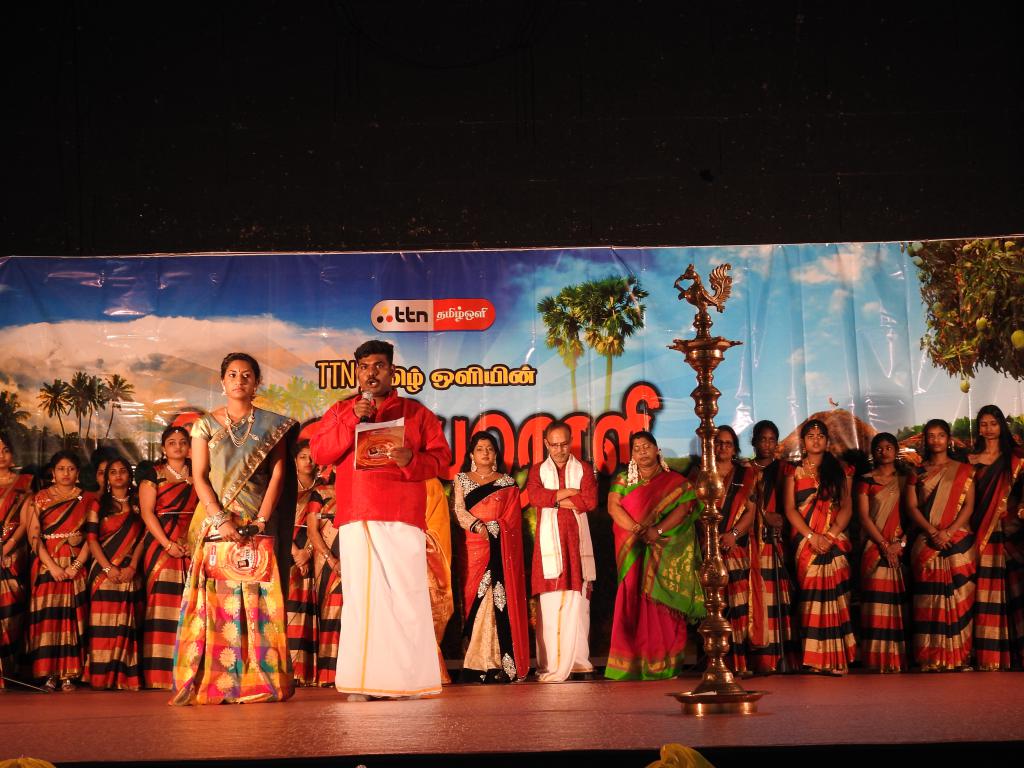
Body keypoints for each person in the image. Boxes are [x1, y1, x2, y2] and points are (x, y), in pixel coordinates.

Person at [310, 340, 451, 700]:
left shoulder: (416, 413)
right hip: (358, 515)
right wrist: (352, 419)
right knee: (363, 599)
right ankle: (364, 681)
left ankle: (408, 681)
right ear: (356, 372)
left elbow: (441, 460)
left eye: (379, 366)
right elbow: (320, 452)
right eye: (364, 366)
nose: (371, 373)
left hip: (402, 515)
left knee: (406, 596)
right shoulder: (341, 410)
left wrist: (411, 460)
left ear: (392, 371)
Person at [171, 352, 297, 705]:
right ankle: (217, 682)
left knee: (260, 604)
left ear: (257, 383)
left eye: (246, 375)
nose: (239, 380)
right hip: (218, 525)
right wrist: (220, 519)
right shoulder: (204, 425)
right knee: (217, 604)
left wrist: (261, 521)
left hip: (257, 525)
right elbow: (199, 476)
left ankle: (260, 681)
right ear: (222, 382)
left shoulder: (273, 426)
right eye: (232, 374)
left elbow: (277, 475)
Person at [604, 431, 703, 680]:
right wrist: (639, 530)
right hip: (633, 552)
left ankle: (663, 665)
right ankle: (630, 666)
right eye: (637, 448)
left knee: (662, 607)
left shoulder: (674, 481)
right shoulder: (623, 480)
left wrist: (657, 531)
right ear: (632, 455)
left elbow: (685, 508)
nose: (642, 451)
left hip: (664, 553)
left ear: (657, 449)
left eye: (646, 446)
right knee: (632, 603)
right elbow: (613, 507)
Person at [453, 432, 528, 683]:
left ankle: (495, 663)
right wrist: (478, 527)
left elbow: (512, 521)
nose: (485, 453)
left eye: (490, 449)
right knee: (473, 602)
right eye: (480, 449)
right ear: (471, 454)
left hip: (499, 547)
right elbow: (458, 511)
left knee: (496, 602)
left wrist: (494, 529)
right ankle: (474, 662)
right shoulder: (461, 479)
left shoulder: (507, 483)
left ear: (496, 454)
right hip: (472, 548)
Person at [783, 419, 857, 675]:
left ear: (827, 441)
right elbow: (790, 509)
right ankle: (816, 660)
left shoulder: (841, 470)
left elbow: (847, 506)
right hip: (806, 544)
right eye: (810, 436)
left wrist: (831, 535)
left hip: (834, 540)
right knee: (811, 599)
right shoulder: (794, 472)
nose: (815, 440)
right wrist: (812, 536)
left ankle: (838, 659)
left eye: (820, 436)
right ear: (803, 442)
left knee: (838, 598)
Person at [526, 421, 598, 682]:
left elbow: (589, 501)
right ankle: (553, 664)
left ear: (571, 442)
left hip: (577, 547)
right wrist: (568, 493)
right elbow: (534, 497)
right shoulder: (538, 471)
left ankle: (578, 662)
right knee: (552, 604)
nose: (559, 450)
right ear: (546, 444)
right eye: (554, 445)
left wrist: (553, 498)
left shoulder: (584, 469)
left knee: (579, 606)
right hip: (549, 553)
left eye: (564, 444)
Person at [904, 418, 976, 671]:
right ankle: (930, 658)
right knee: (928, 599)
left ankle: (960, 658)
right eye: (931, 436)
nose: (936, 440)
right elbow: (912, 507)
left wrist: (949, 532)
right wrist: (933, 531)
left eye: (941, 435)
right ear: (925, 440)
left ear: (949, 439)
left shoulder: (964, 470)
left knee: (960, 598)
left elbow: (969, 506)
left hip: (959, 540)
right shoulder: (917, 472)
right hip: (927, 541)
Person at [25, 450, 95, 691]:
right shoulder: (40, 498)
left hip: (76, 564)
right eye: (61, 469)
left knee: (72, 617)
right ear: (53, 473)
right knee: (48, 618)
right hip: (47, 564)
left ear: (78, 473)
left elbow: (92, 537)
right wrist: (53, 567)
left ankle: (69, 674)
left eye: (71, 469)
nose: (66, 473)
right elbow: (34, 537)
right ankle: (49, 674)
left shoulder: (87, 498)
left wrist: (76, 566)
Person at [137, 425, 198, 689]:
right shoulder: (154, 474)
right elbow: (147, 512)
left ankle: (190, 671)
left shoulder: (199, 472)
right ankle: (159, 675)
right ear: (163, 448)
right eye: (171, 442)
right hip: (161, 544)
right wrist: (168, 544)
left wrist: (193, 542)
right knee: (162, 605)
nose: (177, 446)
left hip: (192, 542)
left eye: (183, 441)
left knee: (192, 604)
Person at [966, 405, 1024, 670]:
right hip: (980, 530)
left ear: (1001, 425)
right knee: (986, 590)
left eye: (993, 423)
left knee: (1014, 591)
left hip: (1009, 531)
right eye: (983, 424)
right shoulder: (970, 460)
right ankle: (990, 657)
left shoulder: (1017, 458)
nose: (988, 429)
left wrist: (1013, 514)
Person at [83, 456, 145, 690]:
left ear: (130, 475)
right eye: (113, 472)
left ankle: (125, 678)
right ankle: (101, 677)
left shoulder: (139, 503)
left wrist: (133, 566)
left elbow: (143, 538)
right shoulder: (98, 505)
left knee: (127, 624)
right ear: (107, 478)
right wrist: (108, 568)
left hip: (130, 571)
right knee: (103, 624)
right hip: (103, 573)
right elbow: (91, 539)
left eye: (123, 471)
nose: (118, 475)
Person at [746, 420, 798, 673]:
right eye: (762, 439)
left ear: (776, 444)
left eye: (771, 440)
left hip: (777, 541)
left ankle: (782, 658)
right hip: (753, 541)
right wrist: (763, 515)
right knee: (758, 599)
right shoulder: (744, 470)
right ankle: (761, 659)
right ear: (753, 442)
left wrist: (782, 521)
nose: (766, 444)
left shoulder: (785, 470)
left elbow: (794, 505)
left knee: (779, 598)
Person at [855, 432, 909, 673]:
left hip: (901, 547)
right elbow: (864, 517)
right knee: (876, 602)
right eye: (879, 448)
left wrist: (901, 544)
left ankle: (899, 659)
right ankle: (876, 660)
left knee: (899, 602)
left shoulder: (907, 479)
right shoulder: (865, 481)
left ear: (895, 450)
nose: (884, 451)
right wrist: (885, 546)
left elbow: (914, 514)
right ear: (873, 453)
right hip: (874, 548)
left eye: (888, 447)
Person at [709, 426, 758, 676]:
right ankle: (715, 664)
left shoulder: (745, 475)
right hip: (709, 549)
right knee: (714, 606)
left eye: (728, 443)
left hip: (735, 548)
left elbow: (750, 512)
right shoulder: (703, 474)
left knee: (738, 607)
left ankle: (740, 664)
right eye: (718, 442)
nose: (723, 448)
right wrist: (710, 539)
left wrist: (733, 535)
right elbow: (694, 511)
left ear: (735, 448)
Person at [0, 432, 33, 686]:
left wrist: (7, 547)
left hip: (13, 552)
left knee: (10, 610)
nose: (1, 456)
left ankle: (9, 671)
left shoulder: (25, 482)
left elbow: (25, 522)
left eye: (5, 450)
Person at [286, 440, 319, 686]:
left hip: (315, 551)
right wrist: (296, 553)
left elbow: (323, 525)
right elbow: (278, 520)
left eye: (312, 457)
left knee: (310, 609)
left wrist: (308, 551)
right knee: (288, 607)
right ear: (294, 461)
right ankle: (289, 669)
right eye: (303, 457)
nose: (308, 461)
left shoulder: (323, 488)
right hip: (288, 550)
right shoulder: (285, 486)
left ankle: (306, 670)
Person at [305, 475, 340, 688]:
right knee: (329, 613)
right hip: (327, 560)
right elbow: (312, 530)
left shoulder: (359, 490)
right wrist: (331, 559)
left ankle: (351, 672)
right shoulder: (321, 493)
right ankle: (329, 674)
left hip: (355, 559)